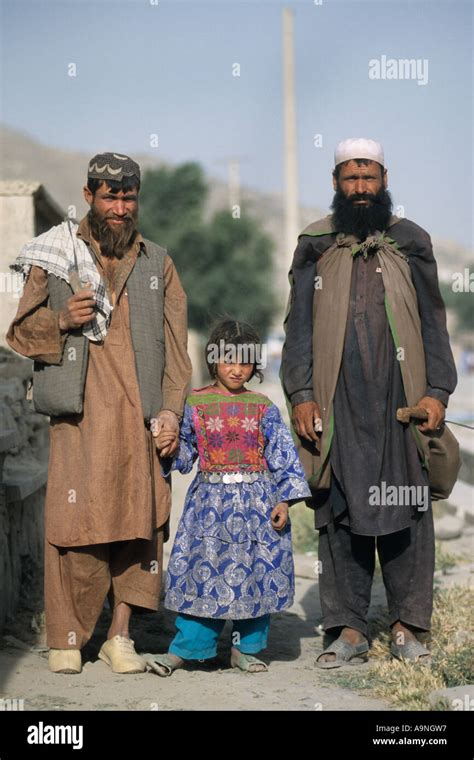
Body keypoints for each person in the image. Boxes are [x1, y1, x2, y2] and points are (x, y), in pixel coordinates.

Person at [7, 152, 192, 674]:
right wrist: (61, 319)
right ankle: (67, 635)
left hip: (140, 422)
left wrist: (173, 414)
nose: (120, 206)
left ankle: (120, 636)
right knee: (75, 525)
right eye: (109, 196)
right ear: (88, 196)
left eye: (128, 197)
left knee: (141, 527)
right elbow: (19, 333)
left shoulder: (159, 263)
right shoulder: (56, 254)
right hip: (79, 419)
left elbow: (179, 354)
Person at [281, 138, 457, 667]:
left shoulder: (411, 241)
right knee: (338, 512)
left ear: (385, 179)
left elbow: (433, 319)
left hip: (400, 404)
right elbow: (299, 328)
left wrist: (438, 391)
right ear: (336, 183)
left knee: (410, 508)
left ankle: (407, 626)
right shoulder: (314, 243)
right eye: (350, 179)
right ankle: (349, 629)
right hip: (338, 404)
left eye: (369, 178)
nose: (361, 189)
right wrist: (302, 394)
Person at [146, 319, 310, 675]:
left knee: (255, 572)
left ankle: (245, 649)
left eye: (246, 362)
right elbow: (187, 457)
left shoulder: (263, 408)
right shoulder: (196, 405)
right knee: (203, 573)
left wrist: (284, 501)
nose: (237, 369)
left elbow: (283, 456)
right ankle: (187, 648)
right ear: (213, 361)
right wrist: (170, 446)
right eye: (228, 360)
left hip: (258, 505)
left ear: (255, 365)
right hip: (209, 506)